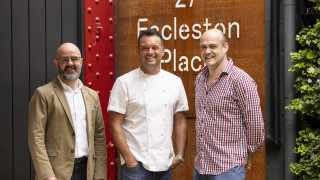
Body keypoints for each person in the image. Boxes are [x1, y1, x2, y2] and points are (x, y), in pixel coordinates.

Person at [108, 28, 189, 180]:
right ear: (138, 51)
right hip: (136, 167)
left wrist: (179, 154)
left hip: (165, 165)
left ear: (163, 51)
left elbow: (180, 119)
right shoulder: (124, 82)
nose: (150, 52)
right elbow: (115, 123)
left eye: (155, 47)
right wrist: (130, 160)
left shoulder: (175, 82)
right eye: (145, 48)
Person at [193, 29, 265, 180]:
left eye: (213, 46)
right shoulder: (200, 78)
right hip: (201, 167)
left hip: (228, 169)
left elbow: (255, 123)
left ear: (225, 47)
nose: (207, 51)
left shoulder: (241, 80)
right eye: (203, 47)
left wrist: (248, 153)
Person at [28, 42, 106, 180]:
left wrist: (99, 175)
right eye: (65, 59)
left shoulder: (92, 96)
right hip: (56, 172)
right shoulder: (43, 94)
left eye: (74, 58)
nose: (70, 63)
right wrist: (47, 176)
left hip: (87, 170)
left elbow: (99, 136)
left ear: (81, 62)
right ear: (57, 63)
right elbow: (36, 138)